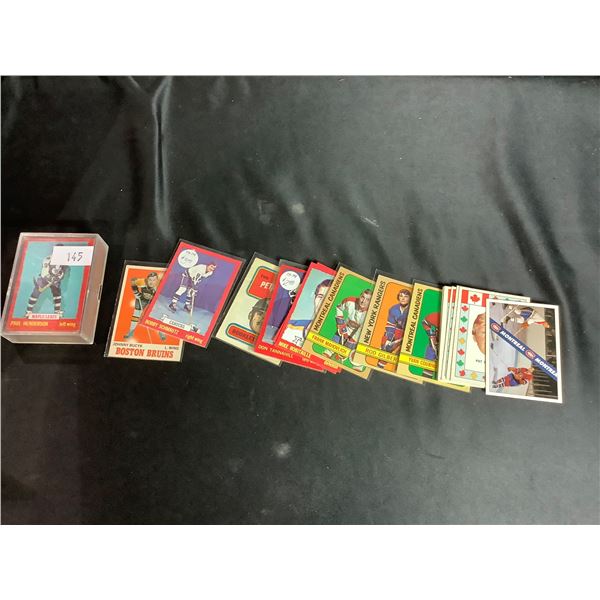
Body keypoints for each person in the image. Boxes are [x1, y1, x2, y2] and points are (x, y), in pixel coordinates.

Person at [281, 278, 332, 347]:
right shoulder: (288, 327)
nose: (323, 303)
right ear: (314, 299)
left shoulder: (340, 340)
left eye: (330, 299)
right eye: (320, 297)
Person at [25, 249, 69, 318]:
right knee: (35, 293)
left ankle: (57, 311)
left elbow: (63, 272)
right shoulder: (47, 259)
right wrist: (49, 279)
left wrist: (57, 279)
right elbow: (44, 272)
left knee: (57, 293)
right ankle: (28, 311)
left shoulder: (64, 262)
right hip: (44, 279)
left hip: (55, 280)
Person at [124, 272, 166, 341]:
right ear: (147, 279)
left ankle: (161, 332)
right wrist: (136, 293)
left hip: (153, 301)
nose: (151, 282)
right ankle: (131, 330)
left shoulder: (160, 285)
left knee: (158, 315)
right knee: (136, 314)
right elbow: (133, 282)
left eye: (154, 280)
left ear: (157, 280)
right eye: (150, 280)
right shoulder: (142, 282)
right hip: (142, 299)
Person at [377, 288, 411, 368]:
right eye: (401, 296)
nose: (403, 298)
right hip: (397, 332)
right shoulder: (393, 309)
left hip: (410, 334)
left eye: (406, 296)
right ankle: (380, 366)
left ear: (410, 298)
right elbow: (391, 324)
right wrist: (389, 338)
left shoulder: (412, 309)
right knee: (386, 348)